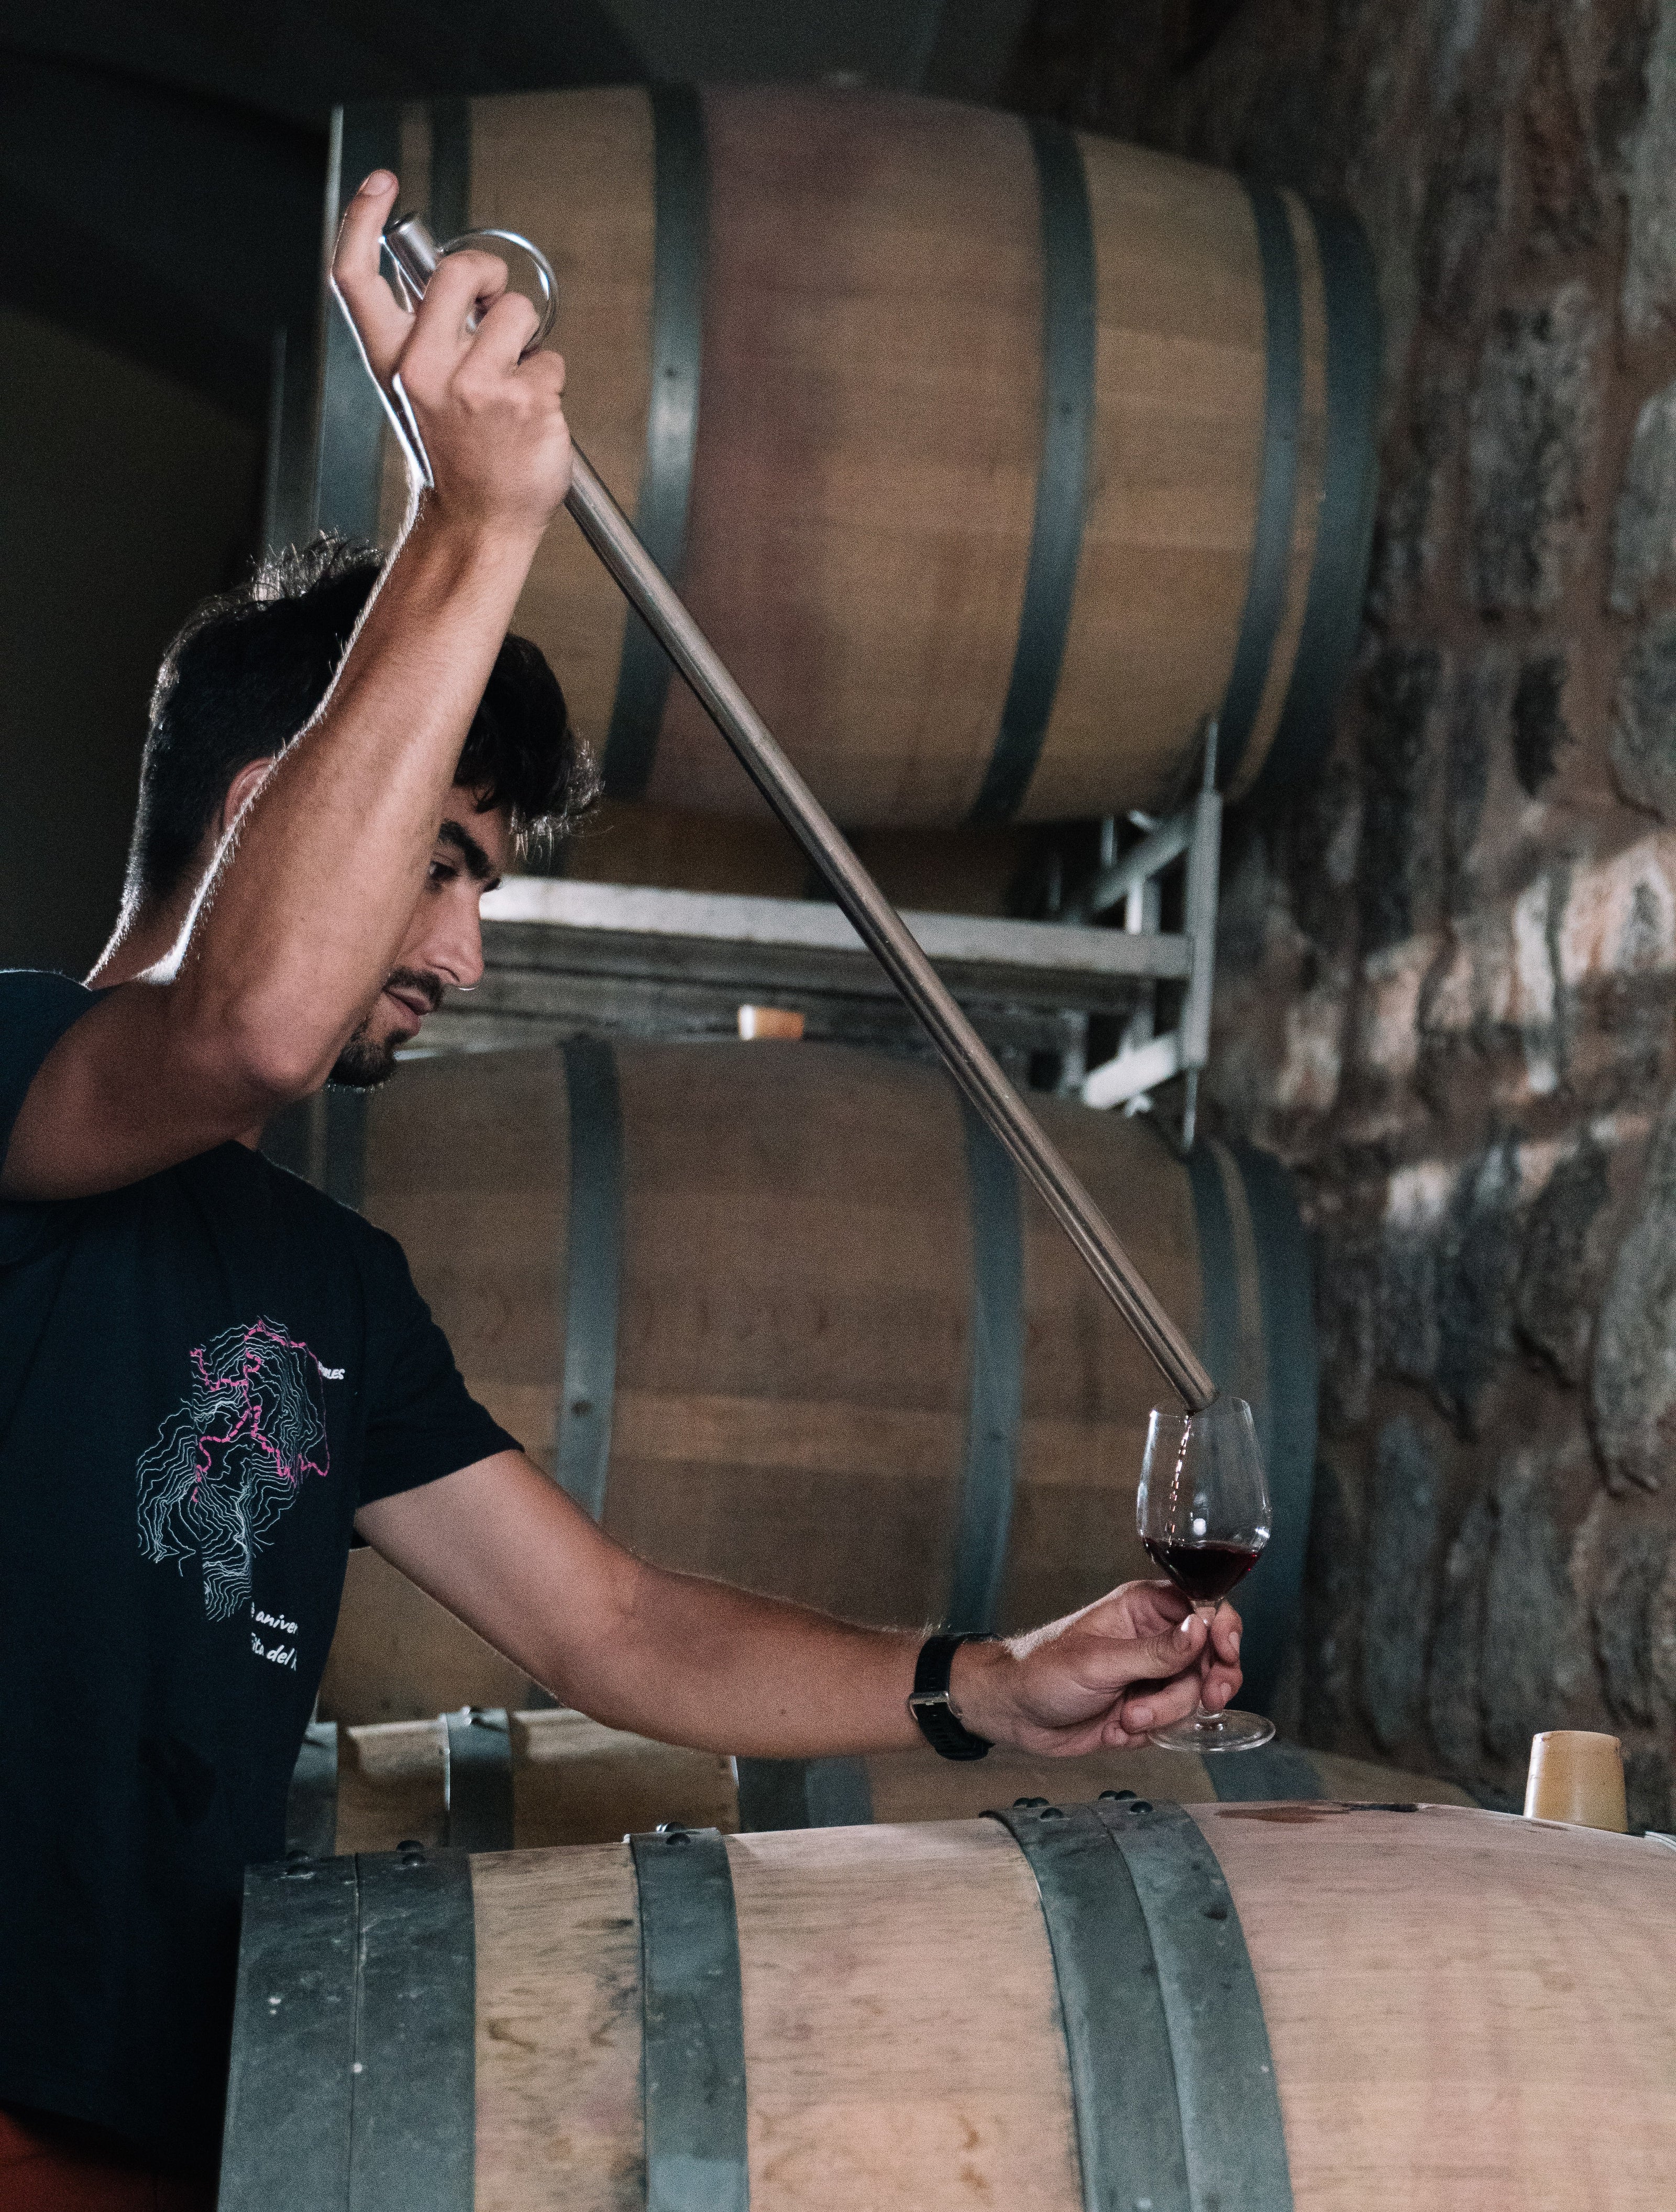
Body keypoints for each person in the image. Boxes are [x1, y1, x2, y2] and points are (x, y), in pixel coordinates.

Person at [0, 171, 1244, 2208]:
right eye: (446, 862)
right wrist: (470, 524)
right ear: (266, 818)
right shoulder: (4, 1066)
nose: (469, 953)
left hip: (173, 2138)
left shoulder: (334, 1284)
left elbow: (617, 1628)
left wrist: (988, 1686)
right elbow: (226, 1032)